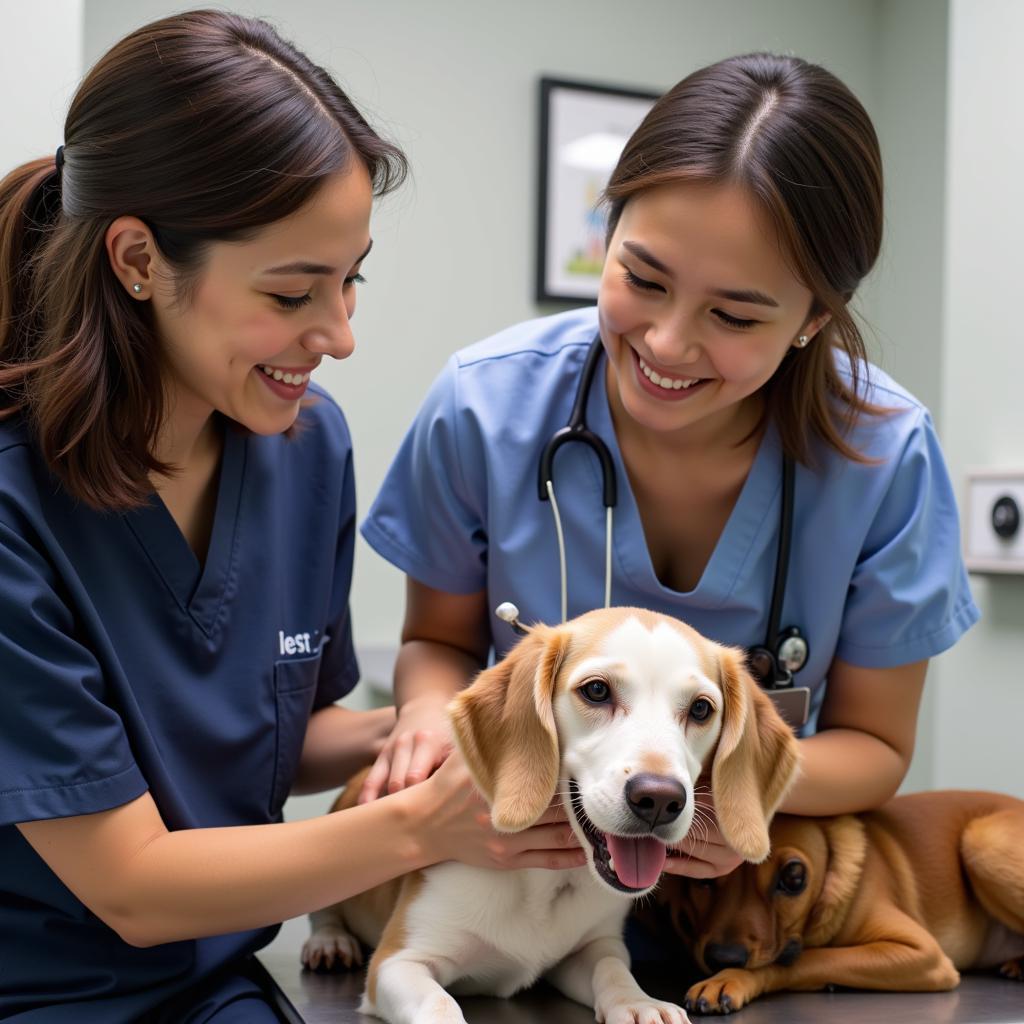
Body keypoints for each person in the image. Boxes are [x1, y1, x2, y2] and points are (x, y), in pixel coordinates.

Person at [0, 11, 583, 1022]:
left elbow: (275, 730)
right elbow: (131, 886)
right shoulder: (15, 505)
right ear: (137, 258)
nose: (340, 335)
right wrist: (426, 824)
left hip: (216, 986)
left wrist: (427, 727)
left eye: (351, 280)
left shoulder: (307, 451)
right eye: (292, 291)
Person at [359, 53, 979, 880]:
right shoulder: (484, 405)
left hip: (729, 912)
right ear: (606, 234)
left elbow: (874, 746)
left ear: (812, 319)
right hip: (509, 884)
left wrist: (722, 794)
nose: (667, 343)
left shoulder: (885, 454)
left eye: (732, 314)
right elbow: (436, 638)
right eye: (641, 279)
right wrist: (431, 715)